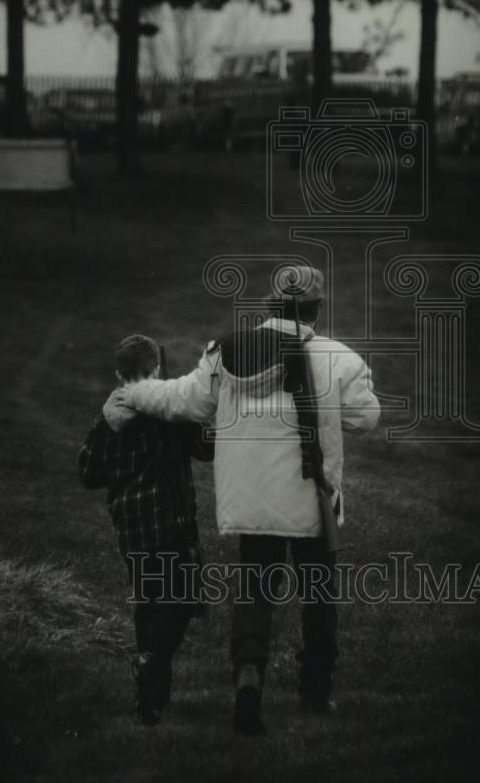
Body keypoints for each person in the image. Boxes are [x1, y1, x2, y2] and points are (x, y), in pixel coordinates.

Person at [114, 267, 380, 735]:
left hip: (253, 499)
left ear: (269, 306)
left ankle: (248, 679)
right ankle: (316, 691)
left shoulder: (224, 351)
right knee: (318, 594)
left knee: (255, 589)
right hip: (312, 498)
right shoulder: (338, 357)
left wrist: (134, 390)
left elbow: (183, 402)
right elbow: (366, 418)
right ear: (316, 308)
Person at [78, 334, 213, 726]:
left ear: (119, 375)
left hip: (132, 530)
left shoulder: (107, 418)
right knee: (182, 601)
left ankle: (150, 700)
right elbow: (207, 447)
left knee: (150, 603)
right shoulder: (169, 412)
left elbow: (88, 473)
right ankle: (151, 663)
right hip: (169, 522)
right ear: (157, 371)